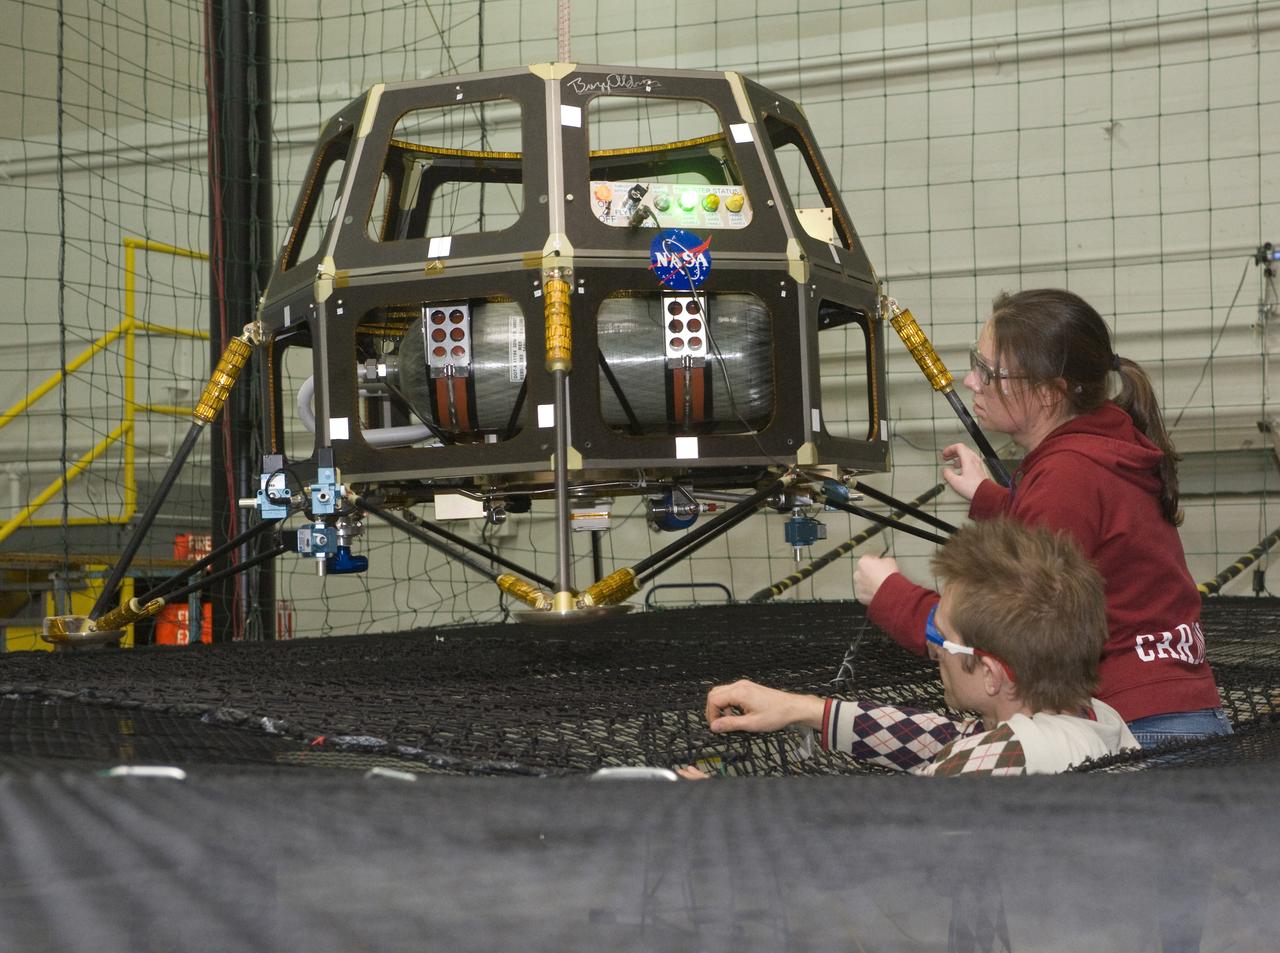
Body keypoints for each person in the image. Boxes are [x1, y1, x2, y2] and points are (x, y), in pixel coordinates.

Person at [855, 289, 1228, 749]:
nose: (971, 381)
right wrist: (990, 498)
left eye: (989, 372)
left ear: (1050, 393)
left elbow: (1011, 632)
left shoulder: (1066, 476)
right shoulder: (1103, 444)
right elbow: (1080, 537)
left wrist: (891, 596)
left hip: (1138, 726)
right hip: (1179, 707)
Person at [684, 518, 1137, 777]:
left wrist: (729, 809)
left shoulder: (1012, 757)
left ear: (993, 675)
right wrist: (806, 710)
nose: (935, 650)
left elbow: (859, 839)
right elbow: (950, 738)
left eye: (943, 639)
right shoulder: (1092, 717)